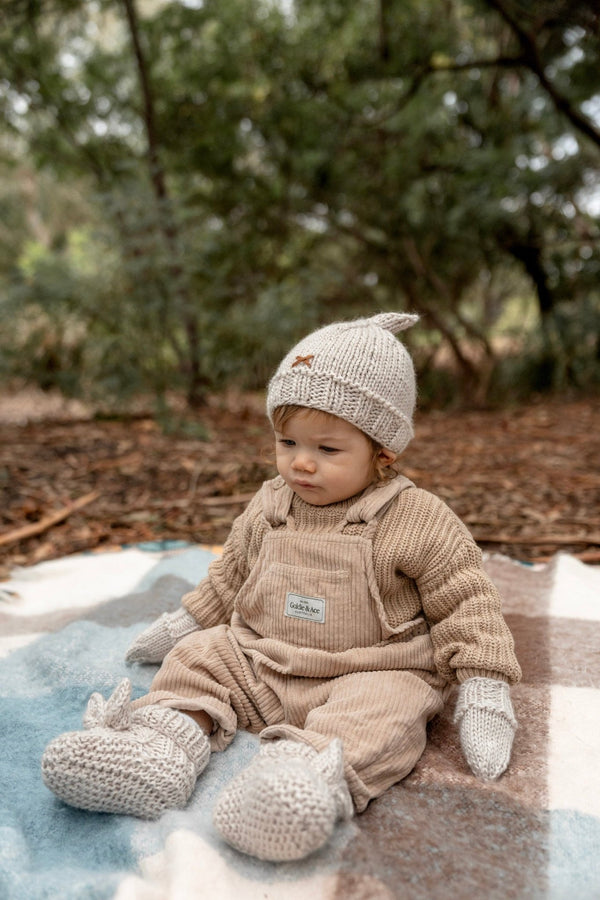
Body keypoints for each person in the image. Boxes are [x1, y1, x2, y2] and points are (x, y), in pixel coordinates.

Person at [41, 312, 521, 862]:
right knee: (199, 658)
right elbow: (232, 574)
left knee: (390, 711)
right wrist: (188, 623)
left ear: (383, 452)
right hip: (259, 662)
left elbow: (467, 603)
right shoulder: (271, 503)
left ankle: (294, 784)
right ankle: (159, 750)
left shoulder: (415, 518)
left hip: (367, 671)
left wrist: (485, 688)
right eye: (287, 441)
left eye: (328, 449)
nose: (301, 463)